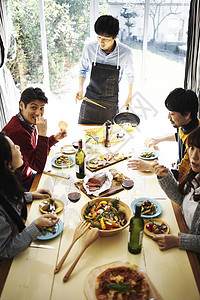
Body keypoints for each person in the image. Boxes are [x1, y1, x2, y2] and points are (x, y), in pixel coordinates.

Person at [0, 132, 59, 265]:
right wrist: (36, 225)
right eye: (14, 147)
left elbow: (8, 199)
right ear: (7, 164)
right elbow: (5, 250)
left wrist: (31, 195)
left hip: (18, 226)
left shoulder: (6, 178)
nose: (18, 147)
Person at [2, 87, 67, 191]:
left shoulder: (26, 122)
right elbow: (37, 166)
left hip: (27, 175)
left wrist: (54, 138)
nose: (38, 113)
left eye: (41, 108)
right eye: (34, 107)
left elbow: (32, 151)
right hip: (18, 185)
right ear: (22, 105)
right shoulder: (17, 131)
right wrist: (42, 134)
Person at [128, 88, 199, 181]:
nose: (168, 117)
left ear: (186, 115)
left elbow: (182, 175)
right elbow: (179, 136)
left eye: (172, 114)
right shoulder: (188, 124)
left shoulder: (194, 143)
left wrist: (150, 167)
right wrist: (158, 140)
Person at [151, 126, 200, 257]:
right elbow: (181, 199)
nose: (194, 156)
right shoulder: (195, 175)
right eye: (192, 148)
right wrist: (165, 176)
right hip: (181, 228)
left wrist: (179, 241)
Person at [75, 15, 134, 124]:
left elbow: (130, 76)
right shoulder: (89, 48)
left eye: (106, 39)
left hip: (110, 103)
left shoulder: (125, 53)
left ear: (115, 36)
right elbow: (82, 70)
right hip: (90, 101)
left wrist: (129, 97)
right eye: (99, 37)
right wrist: (80, 88)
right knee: (84, 134)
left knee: (108, 137)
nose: (102, 42)